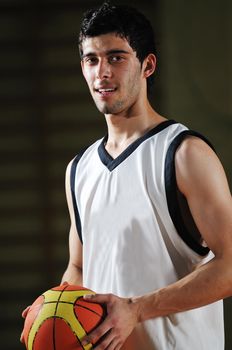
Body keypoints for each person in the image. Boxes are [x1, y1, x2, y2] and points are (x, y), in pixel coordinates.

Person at [21, 2, 232, 349]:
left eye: (116, 58)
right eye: (92, 59)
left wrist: (136, 309)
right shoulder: (79, 169)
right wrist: (51, 310)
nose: (102, 72)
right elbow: (78, 267)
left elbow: (228, 266)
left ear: (147, 65)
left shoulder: (184, 153)